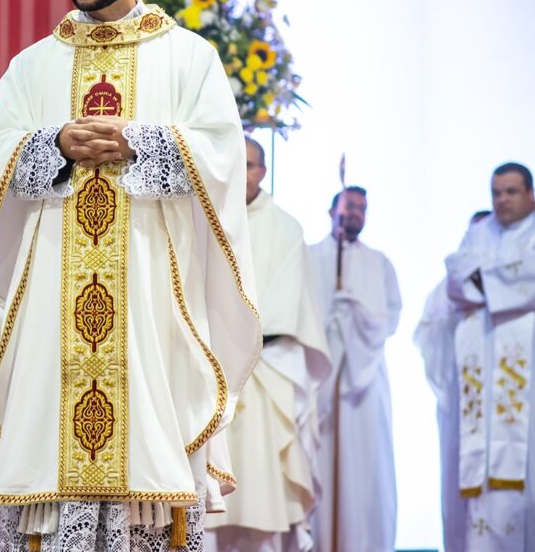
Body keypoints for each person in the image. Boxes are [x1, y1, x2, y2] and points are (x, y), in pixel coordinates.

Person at [0, 0, 261, 551]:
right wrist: (53, 143)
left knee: (146, 455)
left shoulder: (188, 56)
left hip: (150, 303)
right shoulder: (34, 64)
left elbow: (220, 150)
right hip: (55, 299)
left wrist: (137, 143)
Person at [205, 137, 329, 552]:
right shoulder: (201, 215)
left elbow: (283, 303)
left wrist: (235, 336)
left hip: (263, 367)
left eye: (251, 164)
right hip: (207, 366)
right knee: (204, 504)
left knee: (262, 495)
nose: (243, 170)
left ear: (262, 171)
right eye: (235, 162)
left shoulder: (285, 227)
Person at [420, 162, 535, 550]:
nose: (501, 200)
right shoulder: (479, 234)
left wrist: (487, 282)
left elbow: (529, 279)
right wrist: (505, 282)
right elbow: (456, 276)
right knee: (480, 489)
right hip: (482, 391)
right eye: (496, 193)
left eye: (511, 192)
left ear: (531, 194)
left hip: (526, 382)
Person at [307, 186, 400, 552]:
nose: (355, 214)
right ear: (331, 211)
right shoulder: (309, 257)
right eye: (349, 207)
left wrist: (356, 317)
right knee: (322, 461)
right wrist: (330, 320)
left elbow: (389, 318)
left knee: (368, 465)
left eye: (362, 208)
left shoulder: (380, 263)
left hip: (366, 383)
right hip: (321, 380)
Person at [414, 207, 493, 552]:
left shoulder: (518, 285)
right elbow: (426, 335)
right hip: (462, 400)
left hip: (508, 400)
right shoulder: (447, 290)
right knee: (460, 482)